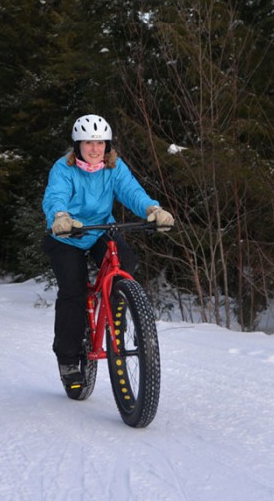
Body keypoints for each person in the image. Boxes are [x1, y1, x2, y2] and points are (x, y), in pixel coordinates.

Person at [42, 114, 174, 392]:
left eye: (100, 142)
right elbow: (56, 195)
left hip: (100, 229)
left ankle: (118, 315)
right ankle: (68, 361)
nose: (95, 148)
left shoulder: (114, 167)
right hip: (67, 235)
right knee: (73, 292)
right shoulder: (63, 169)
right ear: (77, 146)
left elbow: (132, 192)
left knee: (125, 262)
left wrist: (152, 210)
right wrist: (60, 216)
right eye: (88, 142)